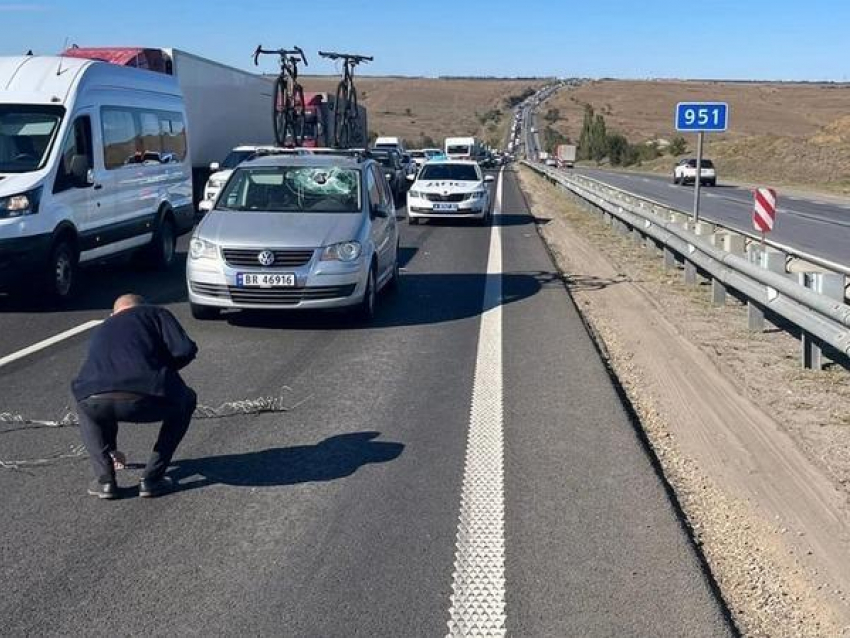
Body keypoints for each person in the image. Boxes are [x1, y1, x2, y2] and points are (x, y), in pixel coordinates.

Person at [72, 294, 198, 499]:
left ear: (113, 313)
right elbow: (184, 349)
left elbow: (107, 377)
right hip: (147, 398)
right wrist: (161, 370)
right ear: (143, 306)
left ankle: (105, 480)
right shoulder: (156, 313)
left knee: (91, 406)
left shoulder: (102, 328)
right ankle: (152, 478)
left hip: (94, 399)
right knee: (187, 399)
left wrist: (110, 447)